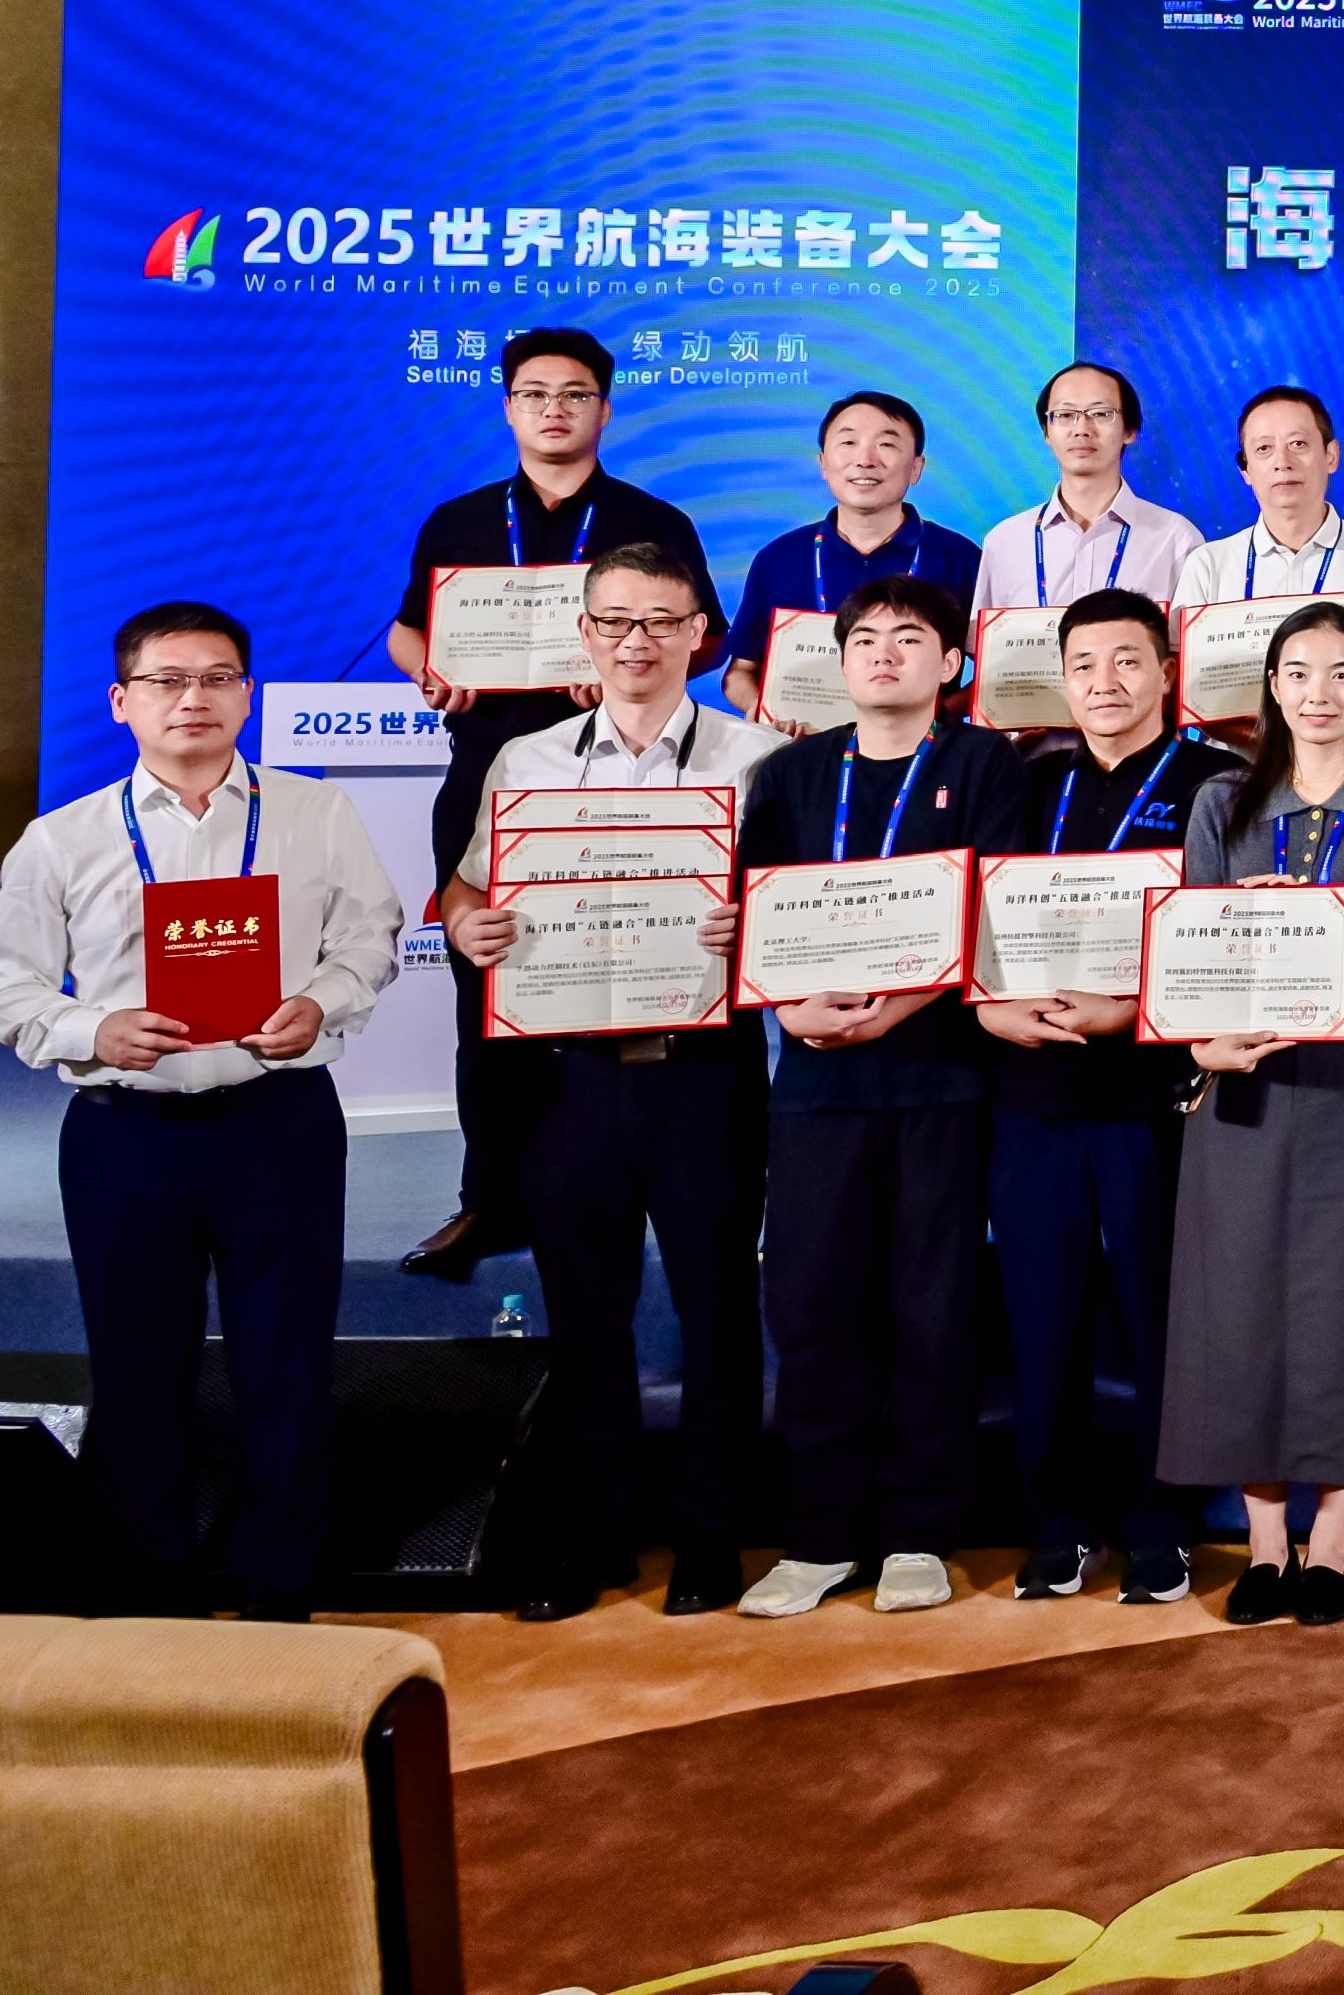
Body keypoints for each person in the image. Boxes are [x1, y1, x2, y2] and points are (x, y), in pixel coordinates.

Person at [0, 603, 403, 1622]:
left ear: (247, 697)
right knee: (137, 1371)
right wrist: (93, 1029)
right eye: (167, 680)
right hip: (126, 1134)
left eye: (217, 679)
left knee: (286, 1365)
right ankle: (149, 1604)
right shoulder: (62, 838)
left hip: (278, 1121)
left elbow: (370, 938)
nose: (193, 699)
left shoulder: (317, 814)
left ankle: (279, 1594)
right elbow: (5, 984)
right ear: (122, 702)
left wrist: (322, 1003)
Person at [430, 542, 778, 1620]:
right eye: (616, 621)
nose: (637, 642)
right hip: (567, 1078)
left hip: (703, 1074)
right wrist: (466, 926)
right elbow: (465, 890)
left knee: (718, 1308)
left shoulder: (759, 758)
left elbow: (800, 914)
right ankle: (597, 1534)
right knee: (586, 1312)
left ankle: (711, 1534)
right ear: (583, 633)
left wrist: (756, 929)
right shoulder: (526, 760)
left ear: (700, 634)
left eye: (661, 621)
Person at [730, 576, 1036, 1617]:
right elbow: (757, 917)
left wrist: (893, 1009)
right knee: (813, 1306)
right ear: (840, 659)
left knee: (931, 1308)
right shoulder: (790, 774)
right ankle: (818, 1537)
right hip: (817, 1085)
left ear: (951, 663)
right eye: (865, 638)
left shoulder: (986, 764)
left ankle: (918, 1531)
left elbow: (993, 909)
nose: (885, 654)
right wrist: (793, 1007)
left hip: (941, 1080)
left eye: (911, 638)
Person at [388, 324, 717, 1282]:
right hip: (490, 776)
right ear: (508, 408)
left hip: (623, 777)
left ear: (604, 409)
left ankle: (628, 1188)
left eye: (575, 394)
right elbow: (409, 633)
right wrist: (431, 673)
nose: (554, 410)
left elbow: (704, 637)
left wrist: (620, 669)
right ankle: (489, 1200)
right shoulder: (458, 520)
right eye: (534, 394)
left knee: (625, 977)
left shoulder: (653, 521)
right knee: (488, 981)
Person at [1163, 601, 1344, 1629]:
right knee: (1237, 1297)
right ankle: (1263, 1542)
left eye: (1341, 673)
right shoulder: (1223, 799)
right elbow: (1191, 942)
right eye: (1298, 672)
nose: (1318, 693)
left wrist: (1321, 926)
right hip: (1243, 1069)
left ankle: (1330, 1541)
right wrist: (1200, 1043)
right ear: (1273, 687)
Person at [978, 587, 1235, 1606]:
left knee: (1162, 1317)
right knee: (1042, 1321)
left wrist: (1132, 1013)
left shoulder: (1217, 785)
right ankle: (1059, 1523)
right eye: (1084, 664)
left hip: (1151, 1096)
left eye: (1127, 660)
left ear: (1167, 671)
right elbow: (975, 921)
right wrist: (989, 1007)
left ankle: (1165, 1522)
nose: (1105, 682)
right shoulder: (1025, 783)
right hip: (1032, 1092)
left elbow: (1231, 934)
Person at [722, 390, 981, 728]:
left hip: (927, 748)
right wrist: (761, 708)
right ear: (823, 463)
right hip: (803, 744)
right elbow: (740, 672)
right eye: (848, 442)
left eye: (886, 444)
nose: (865, 460)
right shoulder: (778, 559)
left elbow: (993, 672)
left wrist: (936, 713)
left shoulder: (959, 559)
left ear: (916, 468)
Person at [1176, 384, 1344, 723]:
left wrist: (1325, 737)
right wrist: (1270, 746)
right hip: (1235, 754)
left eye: (1298, 444)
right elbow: (1191, 688)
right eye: (1264, 449)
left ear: (1331, 455)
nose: (1283, 462)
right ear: (1245, 470)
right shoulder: (1208, 564)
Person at [975, 360, 1203, 618]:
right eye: (1065, 415)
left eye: (1101, 414)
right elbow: (987, 641)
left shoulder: (1176, 539)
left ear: (1130, 430)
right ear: (1047, 432)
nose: (1081, 429)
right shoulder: (1005, 542)